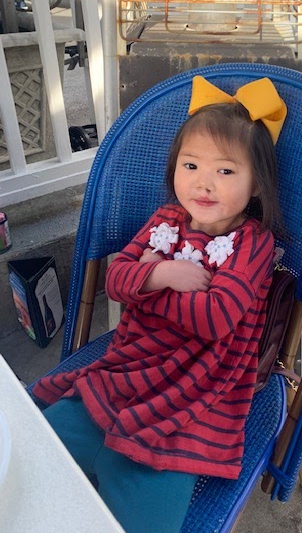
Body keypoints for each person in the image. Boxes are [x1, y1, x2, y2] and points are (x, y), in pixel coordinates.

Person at [33, 75, 287, 533]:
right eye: (191, 165)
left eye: (226, 171)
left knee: (145, 513)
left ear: (256, 185)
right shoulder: (165, 219)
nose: (204, 184)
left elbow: (215, 318)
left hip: (194, 389)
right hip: (128, 367)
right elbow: (115, 280)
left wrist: (145, 289)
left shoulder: (252, 244)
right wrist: (162, 275)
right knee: (35, 461)